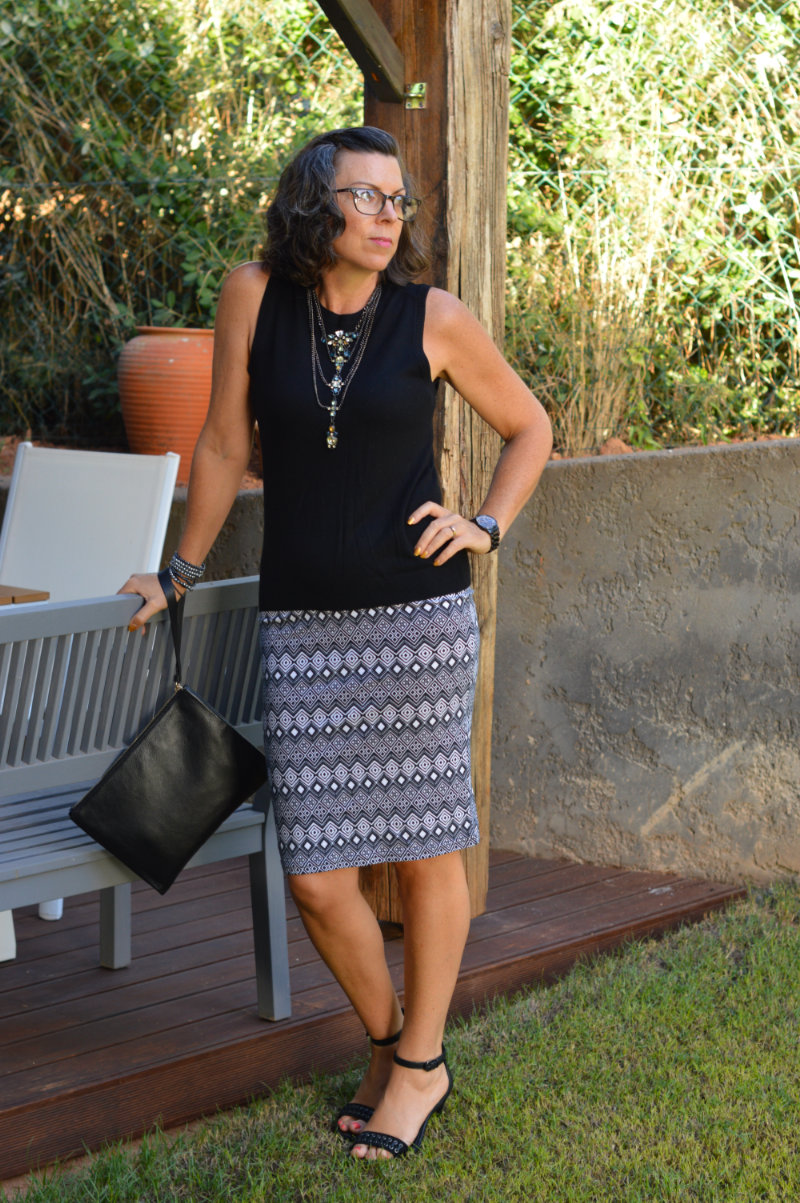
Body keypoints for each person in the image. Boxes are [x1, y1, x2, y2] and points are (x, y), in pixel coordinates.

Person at [120, 125, 552, 1161]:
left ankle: (419, 1064)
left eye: (398, 200)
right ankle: (393, 1043)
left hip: (418, 622)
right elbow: (223, 440)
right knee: (316, 871)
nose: (388, 215)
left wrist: (484, 525)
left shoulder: (432, 316)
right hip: (302, 623)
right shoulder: (252, 296)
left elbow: (530, 427)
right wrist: (177, 569)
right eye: (366, 196)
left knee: (426, 846)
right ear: (314, 203)